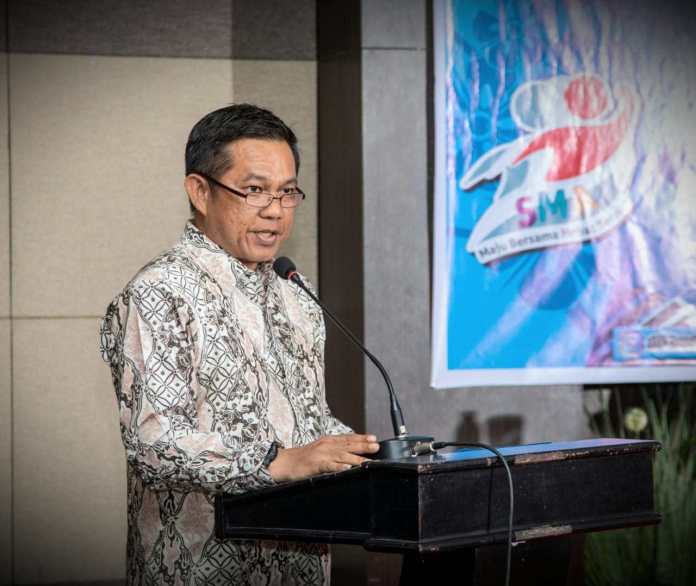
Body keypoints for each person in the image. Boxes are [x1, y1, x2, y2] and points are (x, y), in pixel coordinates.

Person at [100, 104, 379, 585]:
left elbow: (306, 421)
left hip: (301, 563)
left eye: (287, 192)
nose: (275, 210)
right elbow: (154, 442)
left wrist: (364, 454)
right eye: (254, 190)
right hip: (199, 566)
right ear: (200, 191)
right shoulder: (160, 291)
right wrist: (274, 462)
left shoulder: (296, 293)